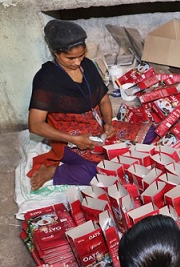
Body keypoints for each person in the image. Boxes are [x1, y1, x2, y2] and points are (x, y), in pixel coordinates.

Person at [27, 20, 116, 191]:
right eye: (70, 58)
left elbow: (104, 100)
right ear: (55, 53)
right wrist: (74, 139)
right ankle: (54, 171)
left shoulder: (88, 65)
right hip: (68, 139)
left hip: (97, 128)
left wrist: (108, 123)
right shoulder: (46, 77)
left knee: (144, 141)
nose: (77, 62)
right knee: (101, 172)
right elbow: (35, 125)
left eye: (81, 55)